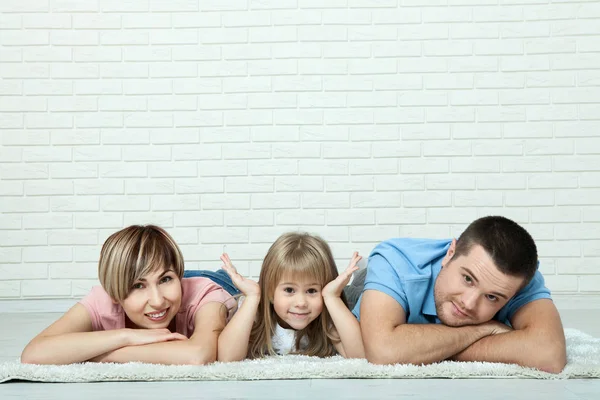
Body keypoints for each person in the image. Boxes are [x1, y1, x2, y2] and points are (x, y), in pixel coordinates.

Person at [351, 216, 567, 373]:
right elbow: (383, 352)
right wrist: (484, 330)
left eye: (492, 297)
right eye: (467, 279)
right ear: (450, 253)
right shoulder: (396, 260)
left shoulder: (514, 280)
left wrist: (422, 348)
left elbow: (550, 355)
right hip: (365, 286)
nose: (469, 303)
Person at [21, 225, 236, 365]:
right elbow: (33, 354)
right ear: (114, 293)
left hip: (213, 281)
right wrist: (128, 336)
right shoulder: (103, 300)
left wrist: (95, 355)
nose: (157, 300)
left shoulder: (205, 295)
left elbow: (198, 355)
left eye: (165, 279)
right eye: (137, 286)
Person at [213, 232, 365, 361]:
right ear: (270, 291)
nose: (301, 303)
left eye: (311, 291)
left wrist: (333, 297)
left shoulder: (327, 313)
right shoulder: (254, 309)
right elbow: (226, 358)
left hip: (344, 295)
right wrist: (252, 296)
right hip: (230, 286)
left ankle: (362, 271)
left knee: (360, 291)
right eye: (289, 290)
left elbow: (360, 356)